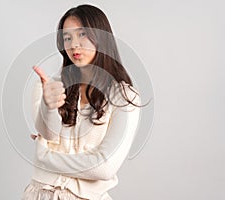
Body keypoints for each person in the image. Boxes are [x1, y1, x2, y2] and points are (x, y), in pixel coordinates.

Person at [22, 4, 144, 200]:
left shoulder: (123, 96)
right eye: (67, 38)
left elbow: (104, 167)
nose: (74, 45)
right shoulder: (50, 86)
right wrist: (49, 105)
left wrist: (44, 157)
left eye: (82, 35)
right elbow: (48, 133)